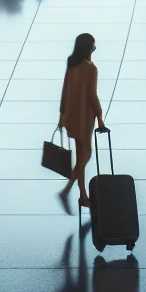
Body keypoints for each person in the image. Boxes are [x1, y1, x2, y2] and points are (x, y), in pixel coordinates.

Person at [58, 32, 105, 207]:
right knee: (86, 155)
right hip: (84, 117)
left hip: (71, 116)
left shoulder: (71, 63)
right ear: (88, 48)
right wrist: (100, 116)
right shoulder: (91, 69)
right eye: (93, 45)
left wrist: (61, 116)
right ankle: (66, 191)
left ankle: (83, 196)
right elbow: (92, 95)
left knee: (80, 157)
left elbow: (65, 89)